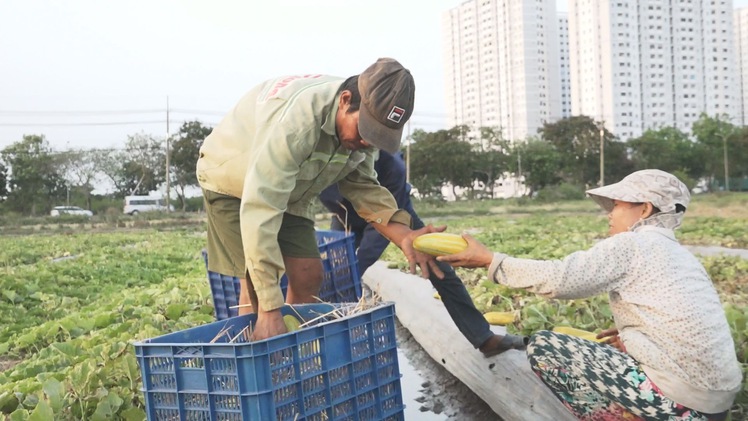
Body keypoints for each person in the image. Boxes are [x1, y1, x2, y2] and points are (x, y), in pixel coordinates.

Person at [437, 170, 742, 420]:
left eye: (618, 206)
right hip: (716, 406)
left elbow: (561, 279)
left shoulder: (634, 245)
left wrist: (491, 261)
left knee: (545, 346)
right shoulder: (680, 255)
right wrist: (636, 336)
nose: (610, 214)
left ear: (645, 209)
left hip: (680, 405)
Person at [196, 58, 443, 341]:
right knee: (253, 284)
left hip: (289, 189)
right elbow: (261, 206)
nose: (367, 142)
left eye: (377, 137)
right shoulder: (296, 126)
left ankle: (292, 356)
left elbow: (363, 186)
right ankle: (254, 363)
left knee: (308, 275)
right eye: (365, 131)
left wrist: (405, 236)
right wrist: (269, 310)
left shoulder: (361, 137)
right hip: (232, 181)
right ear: (346, 100)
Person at [319, 150, 528, 357]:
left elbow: (382, 226)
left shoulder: (391, 165)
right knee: (334, 274)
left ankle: (483, 338)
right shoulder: (322, 158)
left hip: (395, 216)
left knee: (440, 271)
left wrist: (355, 268)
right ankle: (329, 335)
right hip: (345, 215)